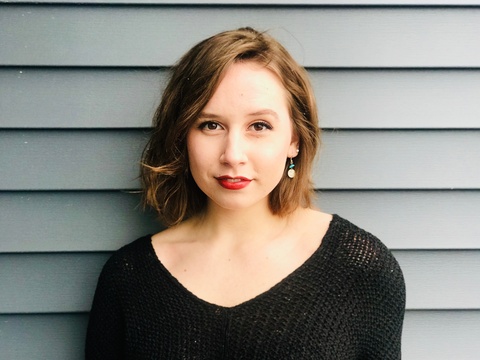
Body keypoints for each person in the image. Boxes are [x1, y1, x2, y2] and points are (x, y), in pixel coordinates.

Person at [85, 27, 405, 359]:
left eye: (259, 126)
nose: (233, 154)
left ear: (294, 139)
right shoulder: (128, 278)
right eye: (210, 125)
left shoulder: (360, 269)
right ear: (182, 136)